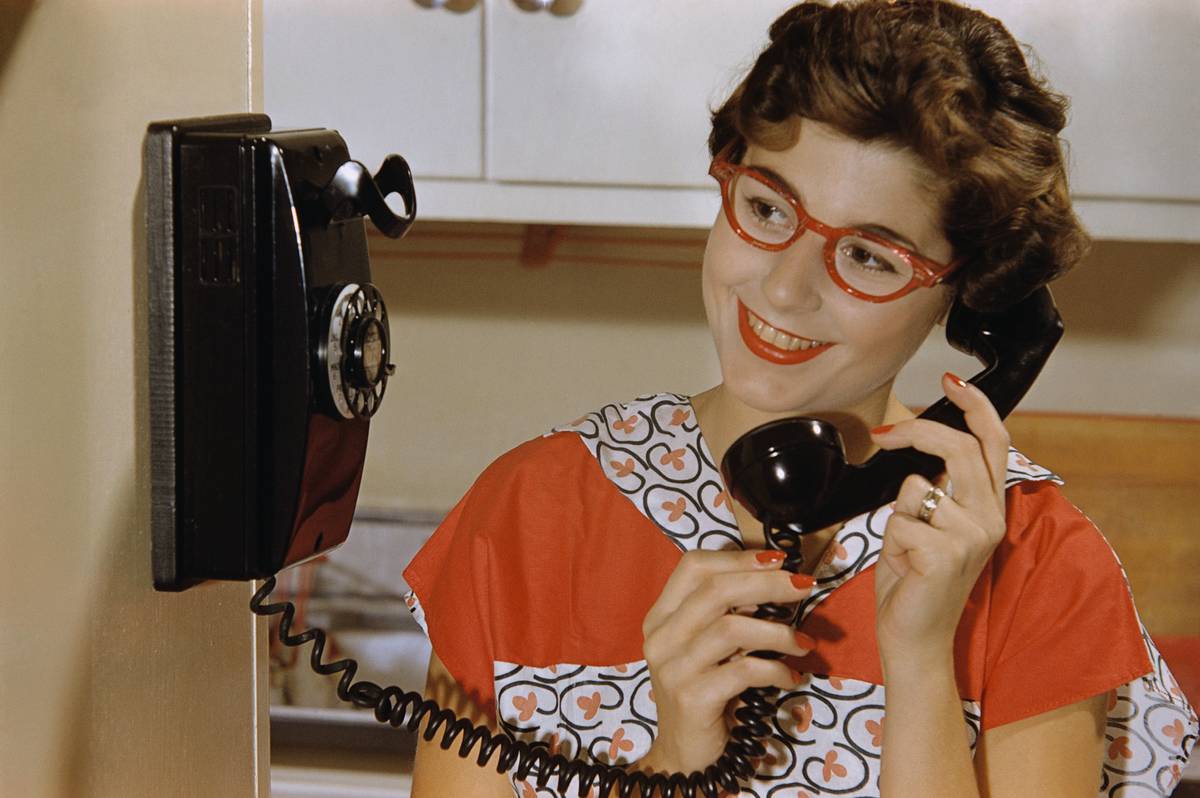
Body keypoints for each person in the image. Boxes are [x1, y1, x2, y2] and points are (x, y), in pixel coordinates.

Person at [402, 2, 1197, 795]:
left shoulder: (1040, 566)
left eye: (868, 257)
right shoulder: (524, 517)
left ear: (971, 300)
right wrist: (673, 761)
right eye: (766, 208)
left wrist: (921, 668)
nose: (784, 288)